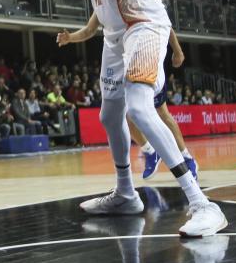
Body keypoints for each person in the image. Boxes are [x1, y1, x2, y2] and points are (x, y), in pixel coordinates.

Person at [36, 0, 226, 237]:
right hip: (114, 36)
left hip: (142, 24)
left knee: (139, 107)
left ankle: (202, 203)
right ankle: (125, 194)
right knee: (110, 116)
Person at [59, 13, 199, 180]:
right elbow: (89, 30)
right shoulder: (103, 4)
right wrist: (70, 38)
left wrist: (177, 51)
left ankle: (186, 157)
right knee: (127, 115)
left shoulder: (136, 1)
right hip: (122, 65)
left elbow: (165, 24)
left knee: (162, 113)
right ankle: (150, 152)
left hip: (145, 59)